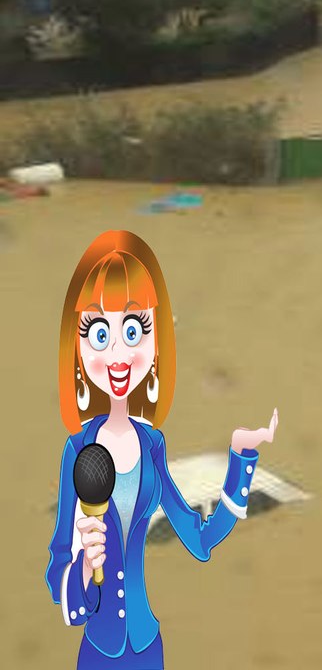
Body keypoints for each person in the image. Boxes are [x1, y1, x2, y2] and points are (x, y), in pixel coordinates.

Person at [45, 230, 279, 669]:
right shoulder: (77, 451)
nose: (118, 354)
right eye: (99, 333)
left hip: (148, 647)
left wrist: (241, 461)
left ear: (155, 345)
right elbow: (62, 581)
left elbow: (201, 538)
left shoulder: (152, 446)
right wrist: (82, 570)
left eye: (134, 330)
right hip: (100, 652)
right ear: (77, 347)